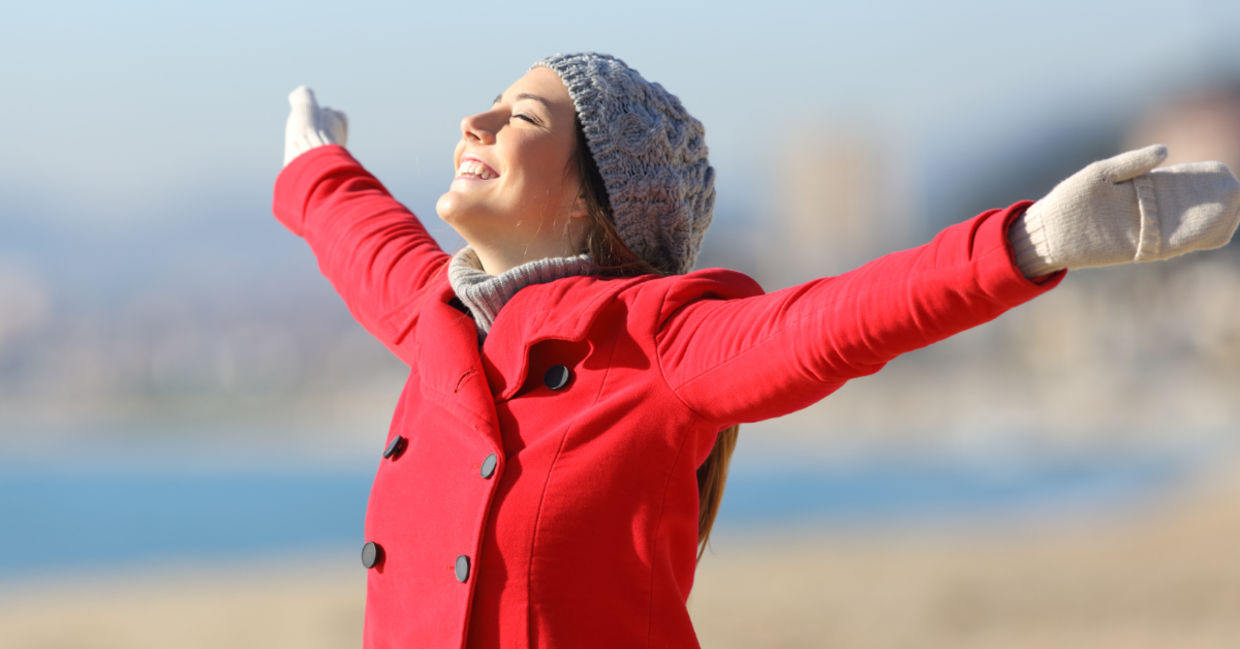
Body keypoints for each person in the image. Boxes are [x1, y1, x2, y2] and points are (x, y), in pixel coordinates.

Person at [274, 52, 1240, 649]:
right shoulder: (438, 319)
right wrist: (313, 161)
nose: (473, 122)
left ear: (591, 199)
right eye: (489, 102)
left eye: (524, 116)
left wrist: (1026, 243)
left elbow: (840, 319)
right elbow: (365, 237)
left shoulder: (660, 343)